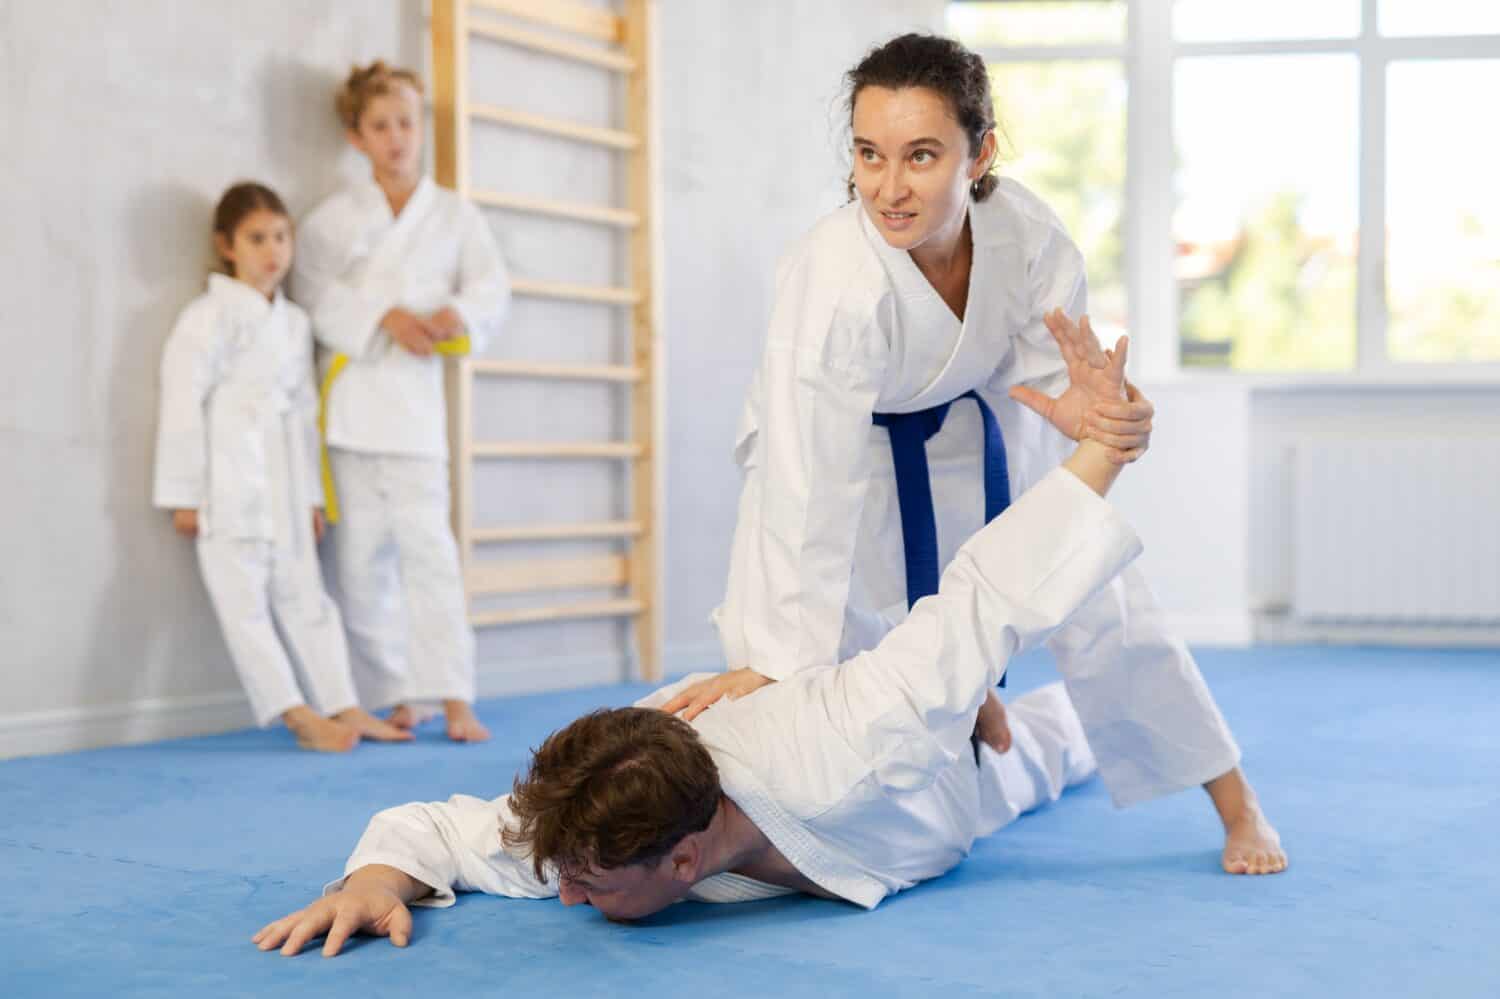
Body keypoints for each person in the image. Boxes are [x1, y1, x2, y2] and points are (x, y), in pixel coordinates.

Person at [254, 317, 1274, 959]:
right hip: (844, 688)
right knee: (894, 666)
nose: (562, 896)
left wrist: (1101, 445)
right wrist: (373, 883)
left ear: (688, 859)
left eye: (594, 886)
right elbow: (438, 827)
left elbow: (985, 597)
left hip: (930, 786)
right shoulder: (588, 823)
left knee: (1047, 745)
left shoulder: (848, 749)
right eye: (571, 875)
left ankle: (1100, 734)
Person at [669, 33, 1281, 875]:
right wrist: (771, 664)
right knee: (844, 657)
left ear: (980, 152)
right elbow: (803, 488)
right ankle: (972, 712)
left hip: (977, 425)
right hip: (837, 454)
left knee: (1095, 588)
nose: (888, 187)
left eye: (921, 156)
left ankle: (1236, 801)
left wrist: (1090, 420)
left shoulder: (1025, 235)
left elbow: (1052, 386)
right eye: (868, 155)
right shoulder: (833, 276)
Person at [292, 61, 511, 743]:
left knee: (431, 555)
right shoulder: (332, 220)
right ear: (357, 137)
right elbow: (312, 294)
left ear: (421, 128)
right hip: (353, 409)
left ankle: (452, 693)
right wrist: (384, 315)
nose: (396, 138)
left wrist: (452, 316)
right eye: (380, 126)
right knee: (359, 559)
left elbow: (490, 288)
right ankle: (391, 694)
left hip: (416, 413)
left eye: (406, 123)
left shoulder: (453, 215)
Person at [153, 182, 411, 751]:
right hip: (226, 481)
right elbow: (180, 405)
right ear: (226, 245)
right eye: (256, 239)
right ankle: (296, 713)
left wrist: (313, 498)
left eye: (281, 237)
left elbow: (304, 412)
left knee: (308, 596)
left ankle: (342, 703)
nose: (272, 251)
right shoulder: (207, 317)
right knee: (242, 603)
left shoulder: (292, 323)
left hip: (287, 479)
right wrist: (184, 495)